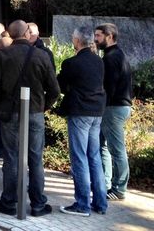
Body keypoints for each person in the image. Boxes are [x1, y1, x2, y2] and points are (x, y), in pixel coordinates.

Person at [0, 19, 59, 217]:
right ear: (27, 33)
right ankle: (37, 203)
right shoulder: (41, 56)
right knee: (36, 158)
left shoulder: (2, 55)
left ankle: (9, 201)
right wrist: (44, 107)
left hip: (10, 113)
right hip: (34, 111)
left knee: (11, 157)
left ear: (10, 34)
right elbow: (54, 89)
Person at [58, 26, 108, 216]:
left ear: (78, 41)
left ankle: (82, 204)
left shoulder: (72, 63)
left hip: (80, 112)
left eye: (73, 38)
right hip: (97, 111)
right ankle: (101, 203)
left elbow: (60, 85)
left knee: (79, 157)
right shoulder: (99, 61)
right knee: (94, 157)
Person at [95, 23, 133, 201]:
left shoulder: (110, 58)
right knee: (104, 146)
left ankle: (119, 189)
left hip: (114, 108)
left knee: (116, 150)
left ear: (109, 36)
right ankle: (106, 183)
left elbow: (107, 88)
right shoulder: (117, 54)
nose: (96, 39)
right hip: (117, 107)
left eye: (99, 36)